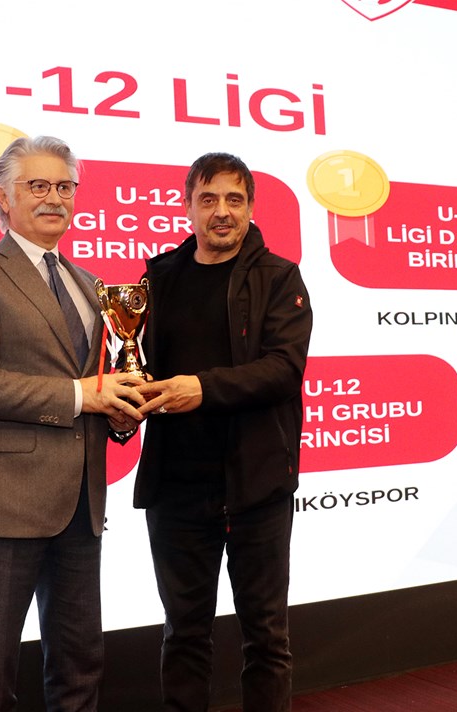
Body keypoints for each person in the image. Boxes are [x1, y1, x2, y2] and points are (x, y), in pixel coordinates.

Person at [0, 135, 145, 712]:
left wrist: (122, 407)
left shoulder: (89, 284)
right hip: (2, 501)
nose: (55, 198)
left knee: (80, 666)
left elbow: (96, 383)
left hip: (80, 503)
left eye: (65, 186)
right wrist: (82, 395)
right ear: (3, 198)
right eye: (38, 185)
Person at [133, 152, 313, 712]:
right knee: (183, 634)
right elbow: (139, 365)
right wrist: (123, 403)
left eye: (235, 199)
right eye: (208, 199)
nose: (222, 212)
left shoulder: (279, 277)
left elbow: (284, 369)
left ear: (251, 207)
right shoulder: (159, 277)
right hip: (176, 487)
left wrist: (202, 388)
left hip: (256, 485)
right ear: (187, 206)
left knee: (266, 637)